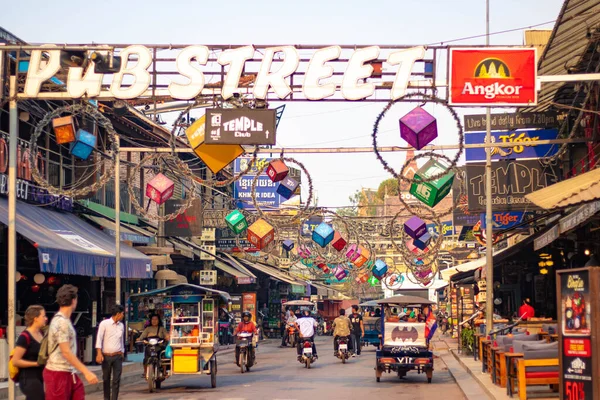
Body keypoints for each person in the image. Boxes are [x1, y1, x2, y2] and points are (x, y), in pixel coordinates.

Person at [44, 285, 99, 400]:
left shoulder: (62, 320)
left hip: (68, 372)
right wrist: (86, 371)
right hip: (58, 372)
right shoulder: (62, 322)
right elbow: (66, 352)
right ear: (74, 300)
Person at [11, 305, 47, 400]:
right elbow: (15, 361)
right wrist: (36, 363)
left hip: (40, 377)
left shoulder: (42, 334)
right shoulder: (25, 337)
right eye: (43, 316)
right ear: (35, 319)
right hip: (28, 378)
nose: (46, 318)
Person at [96, 304, 125, 400]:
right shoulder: (104, 324)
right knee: (106, 379)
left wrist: (122, 352)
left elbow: (121, 340)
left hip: (117, 356)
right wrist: (99, 353)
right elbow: (99, 339)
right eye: (122, 314)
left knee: (116, 380)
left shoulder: (121, 325)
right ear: (118, 314)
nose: (123, 316)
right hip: (106, 356)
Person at [138, 314, 169, 379]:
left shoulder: (162, 329)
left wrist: (167, 337)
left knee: (163, 356)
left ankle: (164, 372)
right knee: (146, 359)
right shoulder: (147, 329)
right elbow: (142, 336)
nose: (154, 321)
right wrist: (139, 339)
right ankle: (145, 372)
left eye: (156, 319)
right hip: (149, 346)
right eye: (153, 319)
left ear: (158, 320)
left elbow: (167, 336)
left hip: (159, 346)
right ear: (150, 320)